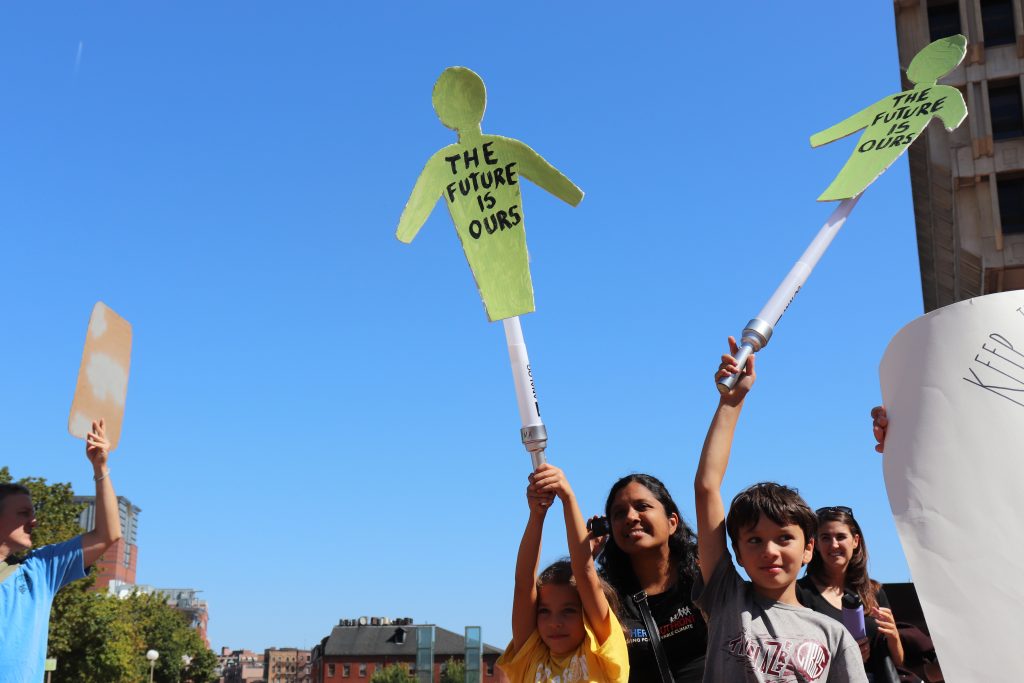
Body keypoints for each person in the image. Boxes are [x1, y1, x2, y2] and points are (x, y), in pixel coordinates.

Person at [692, 338, 867, 682]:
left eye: (784, 538)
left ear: (808, 549)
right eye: (754, 540)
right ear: (737, 553)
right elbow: (706, 487)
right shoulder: (727, 598)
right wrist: (731, 403)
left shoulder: (835, 637)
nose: (770, 551)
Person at [0, 419, 122, 682]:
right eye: (23, 513)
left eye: (33, 513)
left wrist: (100, 467)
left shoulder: (40, 570)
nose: (34, 521)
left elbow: (107, 535)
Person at [497, 463, 629, 683]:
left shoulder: (600, 652)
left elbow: (585, 572)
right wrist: (537, 514)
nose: (554, 622)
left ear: (585, 614)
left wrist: (567, 498)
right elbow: (523, 583)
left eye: (568, 611)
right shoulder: (531, 656)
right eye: (544, 611)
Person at [597, 474, 707, 682]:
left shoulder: (703, 577)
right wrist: (585, 556)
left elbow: (707, 488)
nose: (630, 517)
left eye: (642, 506)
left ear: (672, 522)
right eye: (619, 514)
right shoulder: (608, 597)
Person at [798, 507, 904, 682]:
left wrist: (894, 636)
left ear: (855, 541)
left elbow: (899, 662)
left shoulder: (874, 592)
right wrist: (846, 658)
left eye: (840, 537)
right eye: (825, 538)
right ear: (815, 544)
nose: (834, 545)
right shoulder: (800, 593)